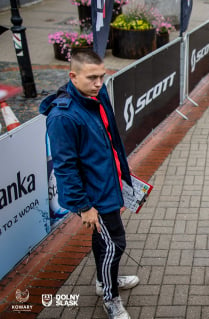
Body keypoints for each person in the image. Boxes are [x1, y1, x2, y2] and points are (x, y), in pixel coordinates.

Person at [39, 50, 138, 319]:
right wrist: (84, 207)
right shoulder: (62, 117)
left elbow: (109, 138)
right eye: (92, 77)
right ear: (73, 76)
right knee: (115, 244)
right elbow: (65, 168)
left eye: (102, 77)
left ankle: (102, 282)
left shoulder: (97, 94)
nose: (98, 83)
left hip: (109, 184)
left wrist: (123, 178)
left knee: (104, 240)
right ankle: (110, 297)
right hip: (95, 196)